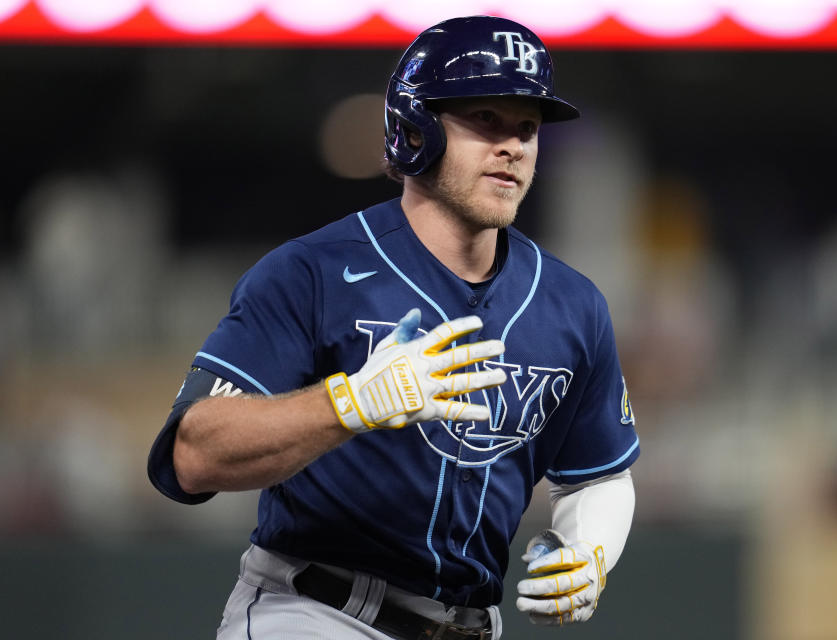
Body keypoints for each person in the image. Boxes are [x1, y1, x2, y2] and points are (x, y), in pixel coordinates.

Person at [148, 15, 639, 640]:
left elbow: (599, 475)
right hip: (315, 612)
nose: (513, 146)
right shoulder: (313, 273)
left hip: (473, 626)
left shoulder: (573, 305)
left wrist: (588, 552)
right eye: (485, 119)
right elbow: (191, 455)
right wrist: (349, 403)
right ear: (416, 128)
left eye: (527, 127)